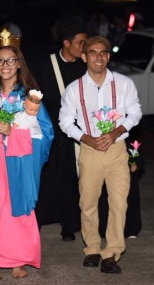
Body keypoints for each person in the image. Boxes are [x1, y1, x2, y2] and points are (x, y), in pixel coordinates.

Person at [0, 29, 53, 282]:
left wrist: (12, 131)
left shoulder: (30, 96)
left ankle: (18, 260)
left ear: (19, 64)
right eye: (0, 60)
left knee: (17, 210)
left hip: (17, 162)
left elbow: (45, 133)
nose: (5, 65)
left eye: (11, 60)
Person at [59, 36, 142, 274]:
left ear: (108, 55)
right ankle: (93, 248)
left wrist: (116, 132)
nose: (98, 57)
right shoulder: (75, 88)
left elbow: (135, 112)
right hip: (89, 150)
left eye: (103, 53)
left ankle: (112, 252)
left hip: (117, 150)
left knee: (118, 202)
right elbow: (65, 121)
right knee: (88, 202)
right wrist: (86, 138)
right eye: (93, 53)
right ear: (84, 57)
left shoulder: (124, 83)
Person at [31, 15, 87, 241]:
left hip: (76, 133)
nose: (84, 47)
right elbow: (35, 96)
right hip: (51, 131)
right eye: (80, 43)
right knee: (47, 177)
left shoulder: (85, 67)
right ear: (66, 43)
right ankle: (39, 219)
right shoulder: (45, 65)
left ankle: (69, 224)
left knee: (72, 179)